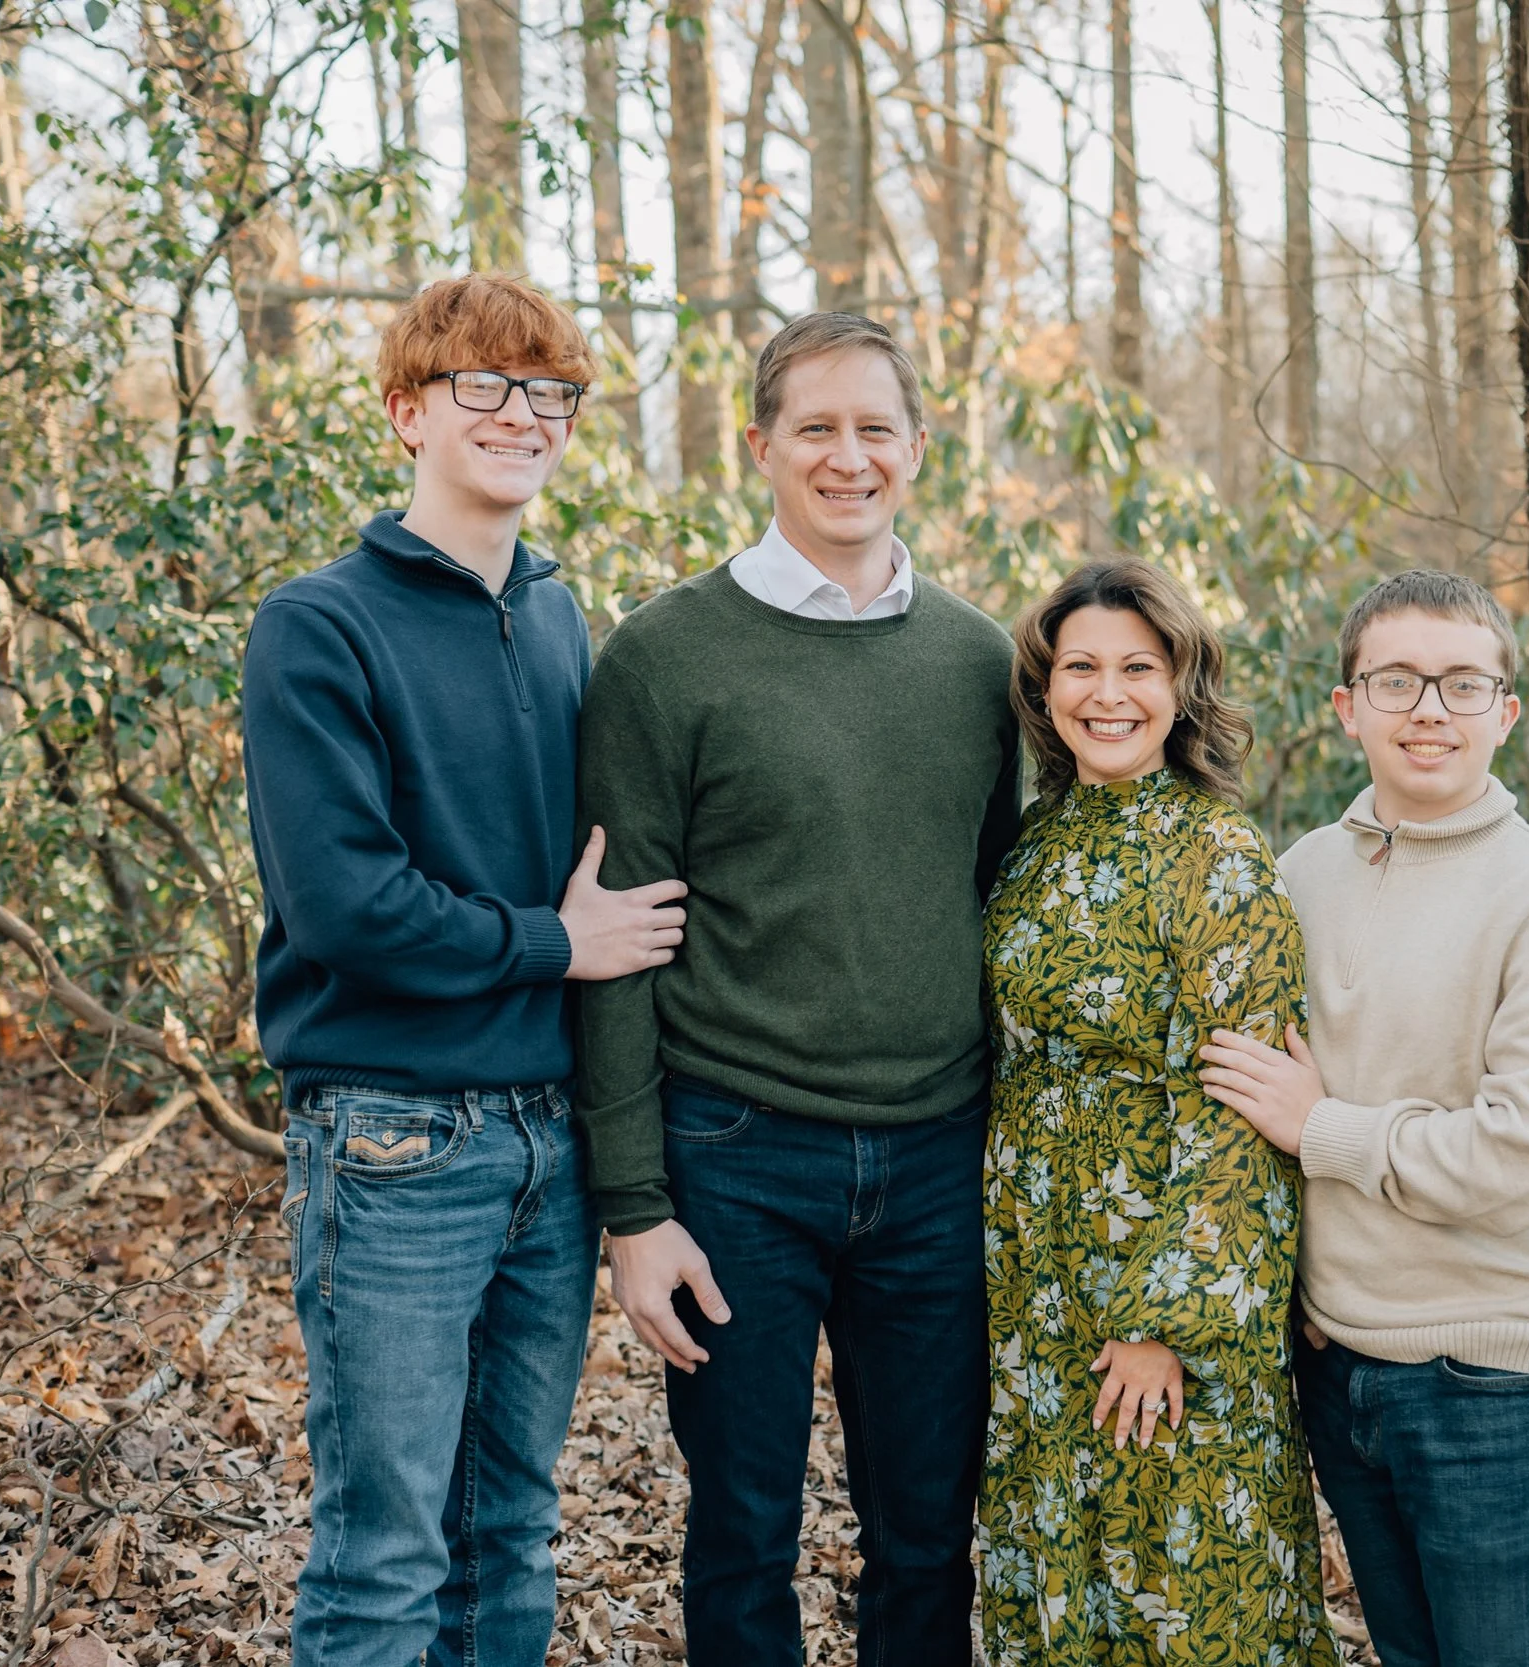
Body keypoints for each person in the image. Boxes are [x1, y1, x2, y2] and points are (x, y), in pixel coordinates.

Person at [240, 274, 688, 1667]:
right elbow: (345, 907)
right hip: (394, 1139)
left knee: (510, 1532)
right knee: (384, 1553)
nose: (521, 415)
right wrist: (559, 943)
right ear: (406, 412)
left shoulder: (559, 616)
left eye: (551, 392)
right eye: (482, 385)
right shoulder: (319, 624)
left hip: (550, 1138)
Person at [573, 311, 1021, 1667]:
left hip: (938, 1160)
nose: (847, 456)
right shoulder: (662, 656)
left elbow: (997, 901)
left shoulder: (982, 662)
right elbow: (616, 941)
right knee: (743, 1531)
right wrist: (635, 1205)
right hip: (735, 1154)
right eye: (815, 427)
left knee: (927, 1536)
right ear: (760, 444)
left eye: (875, 427)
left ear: (920, 447)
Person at [1197, 569, 1529, 1667]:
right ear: (1348, 707)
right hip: (1340, 1363)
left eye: (1460, 683)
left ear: (1505, 712)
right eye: (1397, 680)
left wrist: (1325, 1128)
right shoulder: (1298, 875)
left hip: (1502, 1380)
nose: (1429, 708)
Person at [977, 560, 1339, 1667]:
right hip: (1037, 1281)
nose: (1108, 693)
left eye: (1138, 667)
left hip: (1162, 1287)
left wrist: (1163, 1323)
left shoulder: (1219, 859)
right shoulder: (1034, 844)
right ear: (1044, 689)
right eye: (1080, 667)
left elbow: (1245, 1113)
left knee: (1177, 1585)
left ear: (1181, 685)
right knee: (1059, 1565)